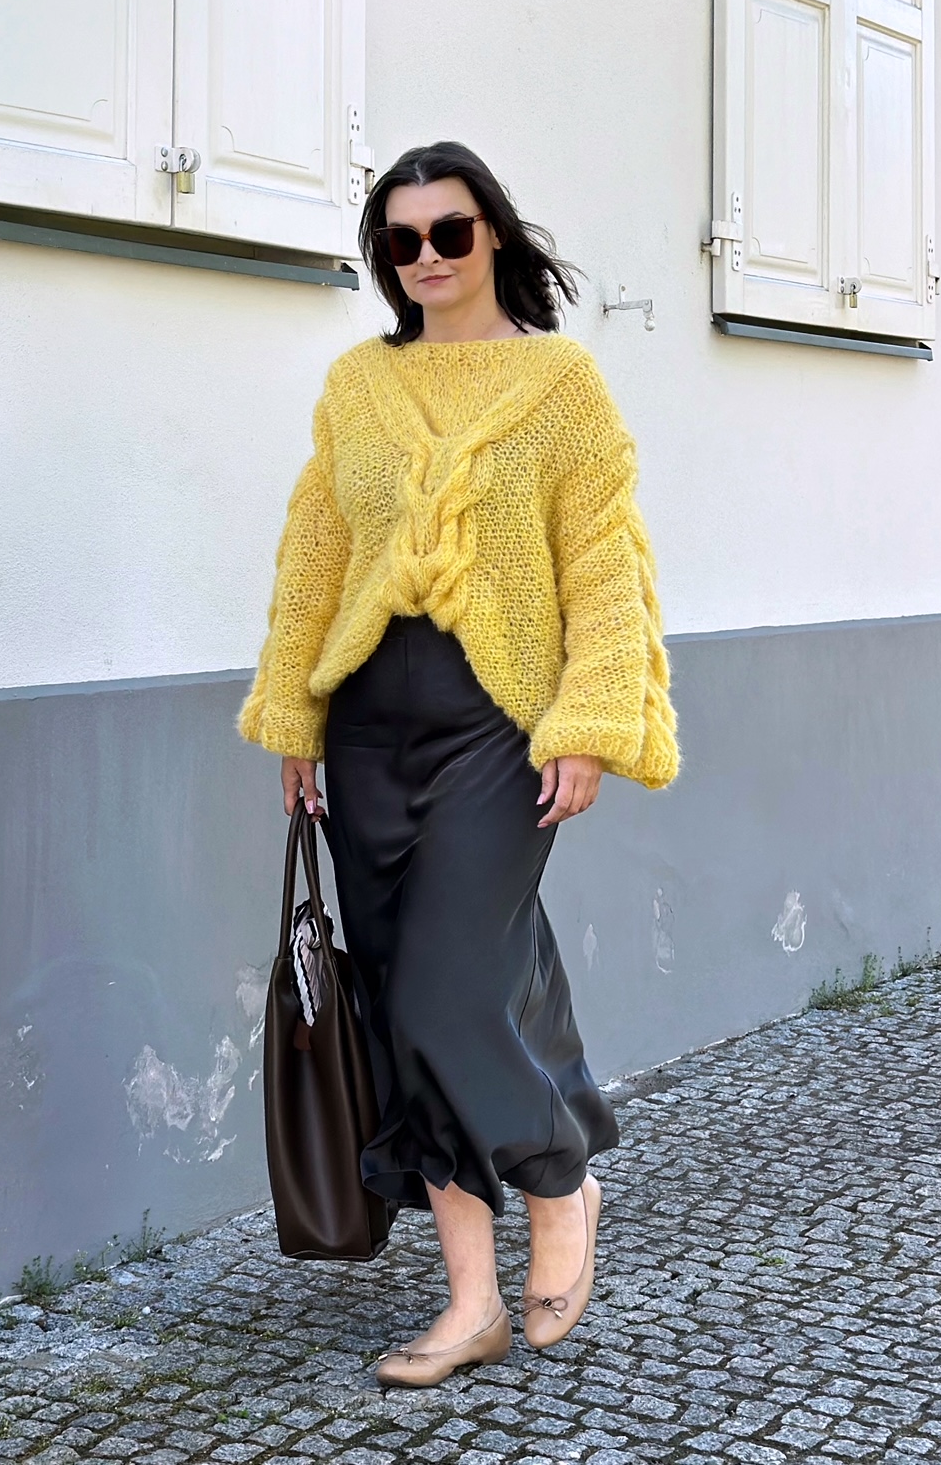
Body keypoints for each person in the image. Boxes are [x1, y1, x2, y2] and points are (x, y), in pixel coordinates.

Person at [238, 141, 678, 1387]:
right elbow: (314, 558)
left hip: (500, 723)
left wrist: (589, 717)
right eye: (400, 239)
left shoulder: (561, 383)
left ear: (494, 234)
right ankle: (470, 1299)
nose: (424, 256)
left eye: (449, 231)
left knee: (446, 987)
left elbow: (603, 558)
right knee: (400, 997)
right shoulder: (358, 386)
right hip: (369, 724)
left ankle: (560, 1179)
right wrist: (295, 714)